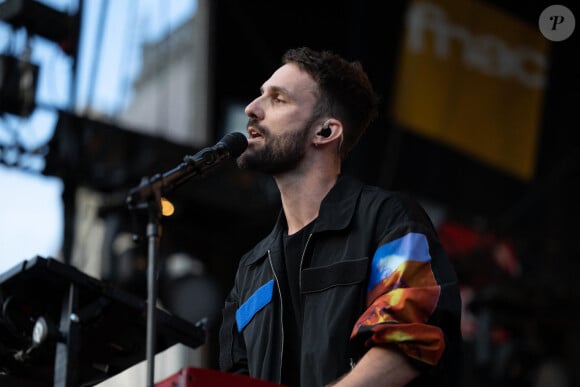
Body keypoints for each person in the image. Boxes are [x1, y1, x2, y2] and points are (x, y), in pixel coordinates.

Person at [218, 47, 463, 387]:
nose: (252, 109)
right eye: (260, 95)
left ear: (325, 132)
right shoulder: (250, 270)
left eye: (278, 99)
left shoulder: (388, 220)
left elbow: (407, 339)